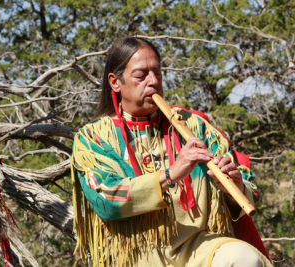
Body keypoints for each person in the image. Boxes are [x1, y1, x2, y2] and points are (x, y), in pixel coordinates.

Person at [71, 37, 272, 267]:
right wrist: (171, 174)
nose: (153, 81)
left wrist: (234, 187)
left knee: (243, 259)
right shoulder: (93, 138)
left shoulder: (194, 126)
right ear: (115, 82)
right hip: (135, 255)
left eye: (157, 72)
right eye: (141, 75)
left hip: (198, 246)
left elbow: (251, 194)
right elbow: (106, 200)